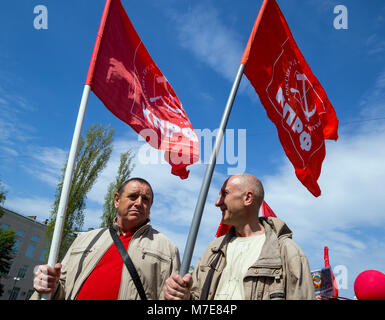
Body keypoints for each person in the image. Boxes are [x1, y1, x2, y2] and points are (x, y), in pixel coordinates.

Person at [164, 174, 315, 300]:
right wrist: (184, 296)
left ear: (248, 198)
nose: (217, 202)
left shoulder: (287, 252)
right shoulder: (213, 250)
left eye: (225, 194)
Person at [31, 177, 180, 300]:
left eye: (145, 199)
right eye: (133, 196)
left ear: (150, 206)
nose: (139, 203)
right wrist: (50, 284)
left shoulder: (167, 249)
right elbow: (61, 289)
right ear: (117, 200)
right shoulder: (85, 239)